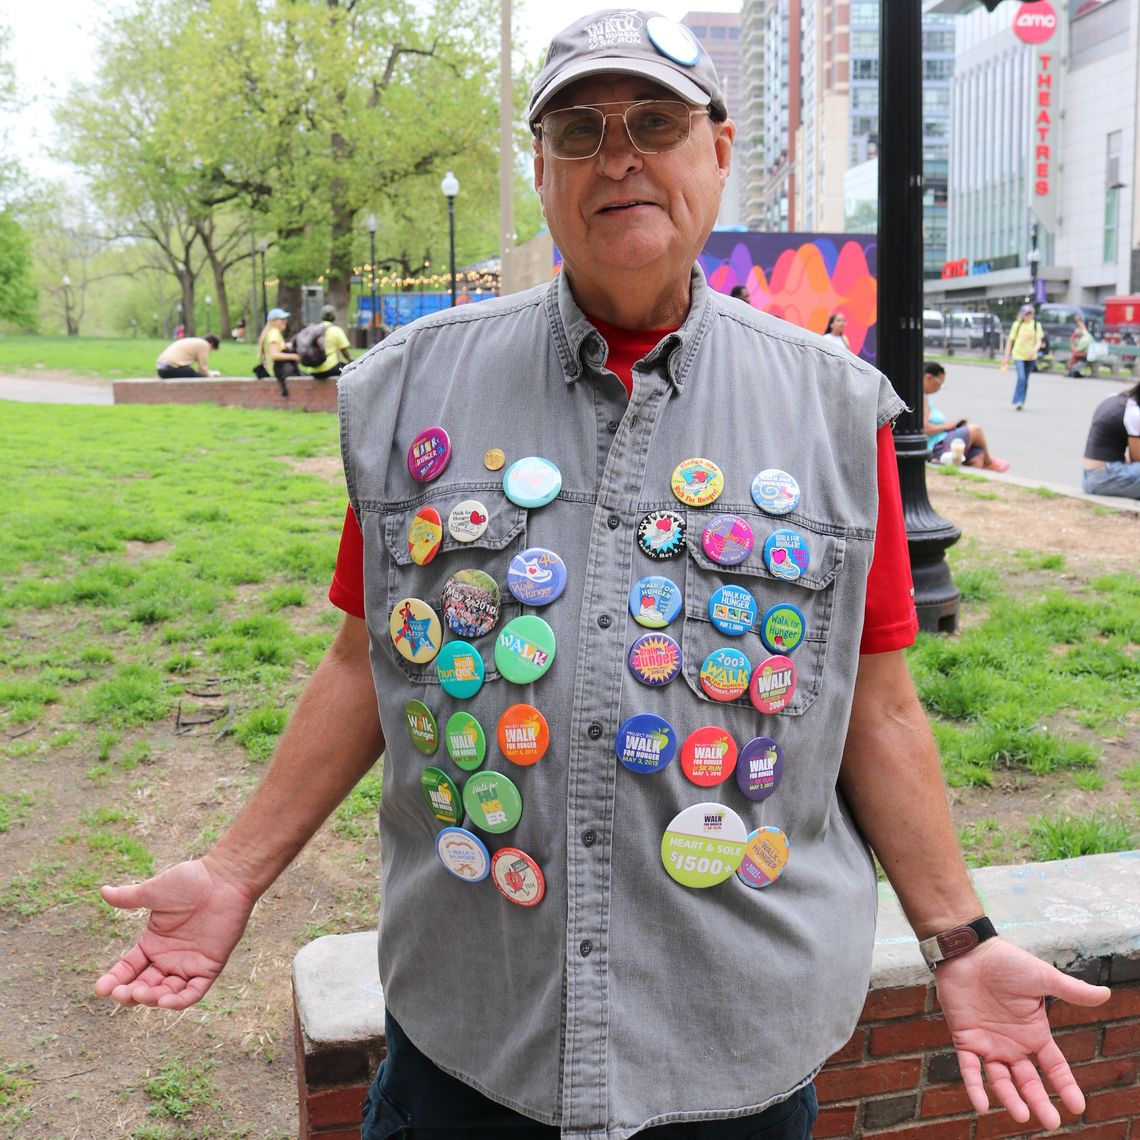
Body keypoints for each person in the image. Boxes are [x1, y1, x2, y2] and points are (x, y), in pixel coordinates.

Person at [96, 11, 1110, 1139]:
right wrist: (235, 873)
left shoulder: (831, 407)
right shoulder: (416, 389)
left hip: (731, 1042)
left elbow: (876, 704)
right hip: (476, 1036)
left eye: (656, 121)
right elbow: (362, 663)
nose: (617, 155)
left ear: (719, 151)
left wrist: (959, 941)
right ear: (540, 170)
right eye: (578, 130)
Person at [923, 361, 1010, 471]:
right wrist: (948, 426)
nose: (939, 388)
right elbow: (924, 428)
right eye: (940, 383)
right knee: (975, 430)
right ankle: (990, 463)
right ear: (929, 378)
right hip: (935, 446)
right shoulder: (921, 400)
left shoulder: (925, 398)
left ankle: (982, 466)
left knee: (977, 455)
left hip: (941, 439)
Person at [1081, 379, 1140, 498]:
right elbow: (1137, 458)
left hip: (1090, 474)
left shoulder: (1114, 398)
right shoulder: (1134, 414)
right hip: (1105, 477)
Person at [1001, 302, 1044, 409]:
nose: (1028, 316)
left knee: (1025, 380)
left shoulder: (1036, 325)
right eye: (1026, 314)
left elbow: (1039, 342)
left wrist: (1033, 350)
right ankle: (1018, 400)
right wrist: (1007, 356)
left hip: (1031, 357)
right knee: (1021, 378)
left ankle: (1020, 400)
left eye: (1030, 314)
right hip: (1018, 355)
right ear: (1022, 314)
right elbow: (1010, 341)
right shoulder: (1017, 324)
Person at [255, 307, 300, 397]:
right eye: (282, 319)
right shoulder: (274, 334)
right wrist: (294, 356)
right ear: (273, 321)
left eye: (285, 319)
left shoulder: (272, 333)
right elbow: (274, 355)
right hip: (278, 371)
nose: (285, 321)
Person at [303, 304, 353, 380]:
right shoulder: (336, 330)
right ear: (334, 317)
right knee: (350, 371)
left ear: (321, 317)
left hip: (313, 369)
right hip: (330, 368)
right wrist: (350, 360)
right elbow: (344, 351)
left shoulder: (314, 329)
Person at [154, 333, 220, 379]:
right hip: (169, 370)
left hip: (161, 370)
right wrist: (211, 377)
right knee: (191, 372)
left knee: (190, 371)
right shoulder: (204, 344)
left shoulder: (195, 341)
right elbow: (203, 368)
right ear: (211, 344)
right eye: (211, 350)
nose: (210, 352)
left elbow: (200, 370)